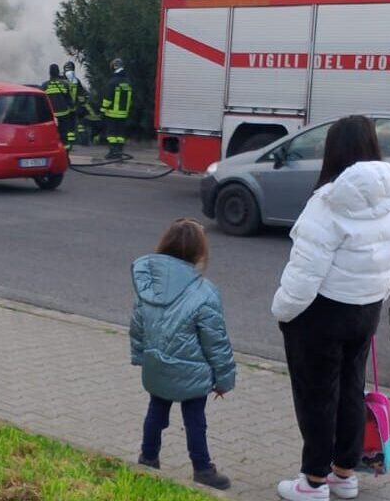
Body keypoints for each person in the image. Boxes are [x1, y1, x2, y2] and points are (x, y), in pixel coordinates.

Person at [270, 115, 390, 501]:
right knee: (351, 389)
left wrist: (282, 311)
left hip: (320, 315)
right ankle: (344, 475)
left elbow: (304, 274)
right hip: (364, 310)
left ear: (333, 151)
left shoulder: (328, 204)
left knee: (317, 395)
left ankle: (312, 482)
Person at [130, 218, 236, 491]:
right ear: (199, 253)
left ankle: (148, 458)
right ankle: (202, 469)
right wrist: (224, 379)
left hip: (156, 365)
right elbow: (216, 342)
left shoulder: (148, 285)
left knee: (155, 413)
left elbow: (138, 325)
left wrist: (140, 356)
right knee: (195, 421)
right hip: (193, 373)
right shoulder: (205, 293)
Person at [101, 57, 132, 159]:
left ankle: (112, 152)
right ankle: (119, 152)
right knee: (120, 135)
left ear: (114, 67)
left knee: (112, 134)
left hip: (112, 113)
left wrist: (102, 110)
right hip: (123, 113)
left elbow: (108, 99)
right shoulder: (127, 82)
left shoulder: (113, 82)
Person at [41, 63, 75, 150]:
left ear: (50, 73)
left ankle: (52, 151)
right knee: (64, 136)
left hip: (51, 116)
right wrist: (73, 111)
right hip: (64, 114)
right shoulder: (64, 84)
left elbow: (42, 102)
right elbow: (70, 100)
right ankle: (65, 155)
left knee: (50, 135)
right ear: (58, 72)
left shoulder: (44, 85)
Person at [64, 61, 91, 146]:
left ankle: (69, 143)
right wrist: (82, 105)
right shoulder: (76, 81)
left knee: (68, 126)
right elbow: (81, 95)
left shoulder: (62, 81)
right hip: (76, 106)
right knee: (80, 126)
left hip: (66, 107)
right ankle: (83, 141)